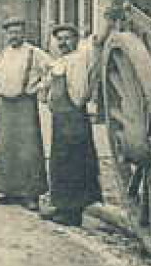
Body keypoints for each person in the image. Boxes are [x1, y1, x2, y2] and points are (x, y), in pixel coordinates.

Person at [0, 18, 51, 210]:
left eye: (18, 32)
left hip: (24, 105)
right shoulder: (2, 55)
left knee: (28, 150)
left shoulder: (34, 53)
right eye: (11, 33)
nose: (14, 36)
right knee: (5, 148)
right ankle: (8, 190)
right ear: (6, 35)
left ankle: (30, 195)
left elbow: (54, 69)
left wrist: (38, 86)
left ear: (24, 33)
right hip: (4, 105)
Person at [42, 20, 104, 225]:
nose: (63, 43)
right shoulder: (59, 61)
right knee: (60, 162)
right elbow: (48, 89)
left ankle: (72, 211)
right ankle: (61, 205)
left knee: (73, 163)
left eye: (67, 38)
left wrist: (73, 108)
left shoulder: (77, 60)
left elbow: (79, 94)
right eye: (59, 39)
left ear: (76, 40)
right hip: (60, 117)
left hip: (73, 118)